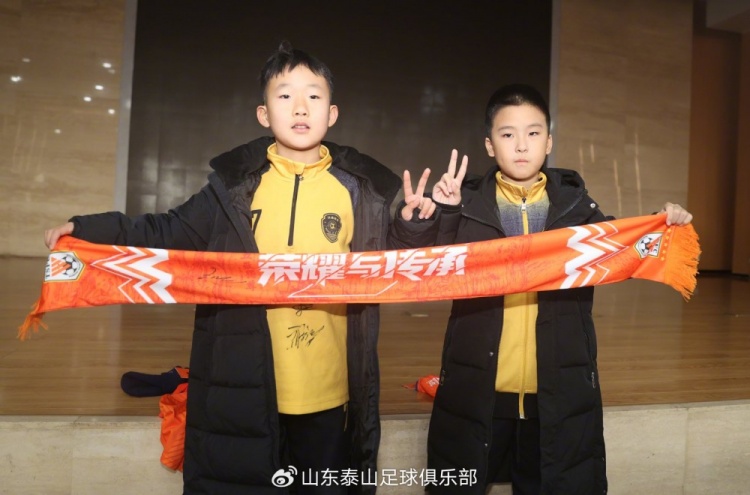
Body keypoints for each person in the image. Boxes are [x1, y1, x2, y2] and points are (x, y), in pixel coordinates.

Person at [43, 41, 436, 494]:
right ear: (263, 115)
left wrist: (414, 225)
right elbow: (167, 230)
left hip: (328, 390)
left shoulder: (359, 192)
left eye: (313, 95)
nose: (300, 107)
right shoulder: (231, 190)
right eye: (285, 95)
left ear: (332, 113)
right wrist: (88, 229)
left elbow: (393, 262)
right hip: (244, 386)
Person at [414, 83, 693, 494]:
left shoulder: (576, 208)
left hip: (556, 392)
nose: (521, 145)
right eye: (507, 134)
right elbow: (422, 261)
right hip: (479, 389)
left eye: (533, 133)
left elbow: (621, 247)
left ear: (548, 141)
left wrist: (662, 222)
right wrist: (437, 215)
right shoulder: (466, 205)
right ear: (490, 145)